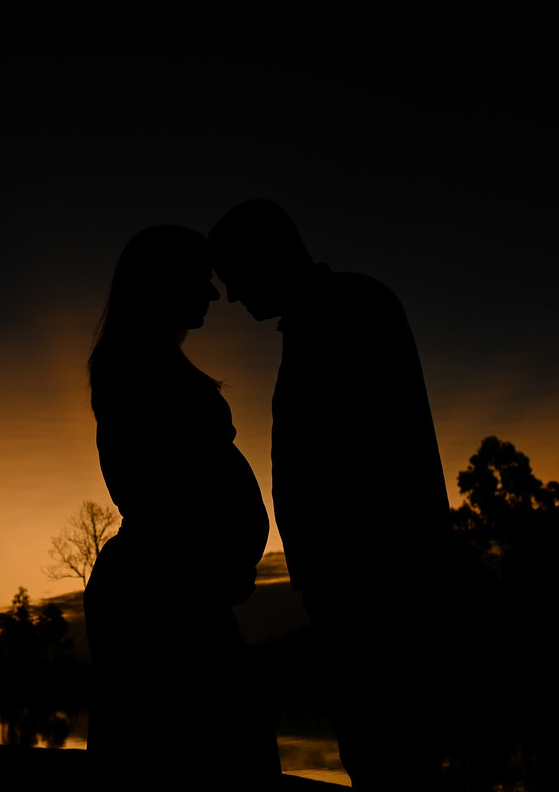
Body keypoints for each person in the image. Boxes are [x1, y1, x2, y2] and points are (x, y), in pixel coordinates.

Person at [209, 199, 462, 790]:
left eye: (235, 276)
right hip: (351, 577)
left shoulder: (352, 309)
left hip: (379, 576)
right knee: (374, 745)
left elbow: (385, 451)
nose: (232, 296)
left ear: (266, 257)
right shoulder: (323, 317)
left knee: (391, 746)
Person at [83, 225, 280, 785]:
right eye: (200, 279)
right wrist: (214, 561)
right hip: (162, 600)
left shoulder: (147, 364)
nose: (215, 293)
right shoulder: (136, 369)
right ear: (162, 284)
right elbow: (167, 492)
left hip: (178, 590)